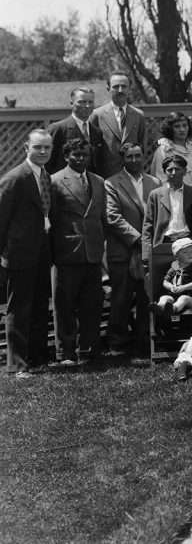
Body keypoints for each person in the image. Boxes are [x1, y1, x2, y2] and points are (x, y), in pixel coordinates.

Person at [0, 129, 54, 375]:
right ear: (26, 148)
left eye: (47, 148)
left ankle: (38, 357)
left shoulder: (45, 175)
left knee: (40, 305)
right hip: (19, 253)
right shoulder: (15, 178)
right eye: (38, 147)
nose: (42, 152)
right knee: (18, 308)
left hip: (42, 251)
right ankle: (17, 364)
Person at [49, 138, 107, 365]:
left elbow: (101, 217)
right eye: (76, 155)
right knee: (64, 306)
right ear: (66, 157)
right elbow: (50, 220)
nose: (81, 158)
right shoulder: (54, 182)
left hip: (93, 253)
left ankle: (89, 349)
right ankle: (66, 353)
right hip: (67, 253)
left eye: (84, 154)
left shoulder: (98, 181)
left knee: (91, 304)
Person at [104, 141, 160, 358]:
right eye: (130, 157)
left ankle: (144, 341)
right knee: (121, 298)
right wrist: (138, 239)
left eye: (138, 156)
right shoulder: (112, 183)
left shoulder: (154, 182)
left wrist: (150, 241)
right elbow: (113, 217)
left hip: (148, 252)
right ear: (123, 159)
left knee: (146, 298)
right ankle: (117, 343)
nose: (134, 160)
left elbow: (158, 214)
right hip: (124, 250)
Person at [142, 153, 192, 268]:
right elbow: (148, 225)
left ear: (184, 171)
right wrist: (146, 254)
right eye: (169, 170)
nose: (173, 173)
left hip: (188, 244)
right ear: (164, 172)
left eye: (177, 169)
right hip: (163, 244)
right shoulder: (155, 195)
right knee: (161, 281)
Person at [90, 71, 147, 178]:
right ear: (108, 88)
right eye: (116, 86)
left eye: (124, 86)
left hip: (132, 175)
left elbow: (142, 146)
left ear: (129, 89)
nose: (120, 90)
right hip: (106, 176)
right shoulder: (97, 115)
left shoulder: (138, 115)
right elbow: (93, 150)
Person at [46, 86, 104, 175]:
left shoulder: (96, 132)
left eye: (90, 102)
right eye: (82, 102)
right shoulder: (58, 129)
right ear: (71, 103)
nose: (87, 106)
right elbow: (47, 163)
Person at [151, 111, 192, 194]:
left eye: (185, 125)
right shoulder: (163, 150)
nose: (182, 129)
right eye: (177, 126)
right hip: (177, 199)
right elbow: (161, 180)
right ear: (170, 129)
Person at [157, 237, 192, 322]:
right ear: (177, 256)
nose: (190, 254)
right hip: (173, 296)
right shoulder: (174, 267)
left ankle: (173, 309)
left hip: (191, 299)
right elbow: (165, 281)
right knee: (165, 297)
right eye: (185, 252)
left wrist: (184, 287)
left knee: (183, 298)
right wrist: (171, 287)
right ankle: (160, 307)